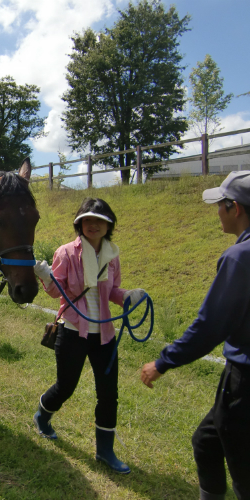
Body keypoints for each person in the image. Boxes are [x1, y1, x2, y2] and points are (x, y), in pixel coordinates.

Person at [141, 171, 250, 500]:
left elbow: (210, 325)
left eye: (220, 205)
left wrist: (163, 361)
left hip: (245, 381)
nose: (217, 212)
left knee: (244, 471)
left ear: (235, 208)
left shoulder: (239, 258)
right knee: (206, 442)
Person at [33, 198, 146, 474]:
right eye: (88, 219)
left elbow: (112, 292)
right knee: (65, 387)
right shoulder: (67, 252)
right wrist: (47, 277)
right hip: (73, 332)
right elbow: (56, 291)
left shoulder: (112, 254)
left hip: (105, 335)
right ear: (79, 224)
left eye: (100, 220)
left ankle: (105, 451)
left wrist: (128, 296)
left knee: (109, 394)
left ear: (109, 225)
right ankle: (42, 417)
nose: (93, 224)